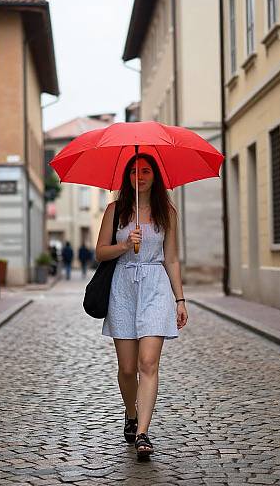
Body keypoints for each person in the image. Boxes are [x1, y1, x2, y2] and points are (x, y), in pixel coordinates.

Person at [95, 153, 188, 458]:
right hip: (122, 287)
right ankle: (131, 413)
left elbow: (171, 258)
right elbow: (99, 253)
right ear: (127, 177)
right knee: (127, 368)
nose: (140, 176)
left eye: (146, 171)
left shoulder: (167, 213)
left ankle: (143, 433)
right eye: (134, 171)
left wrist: (180, 299)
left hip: (155, 287)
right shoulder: (115, 210)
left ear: (155, 176)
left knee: (148, 363)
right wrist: (123, 245)